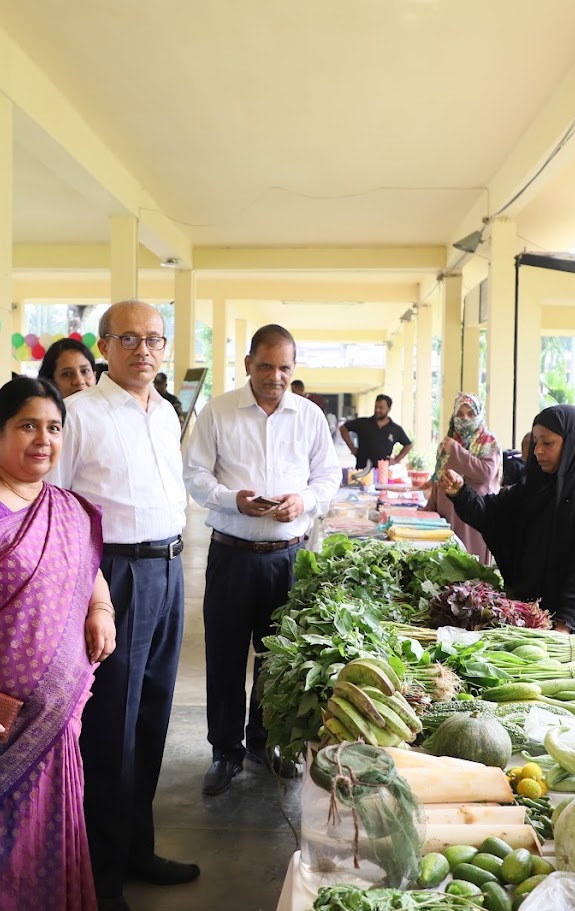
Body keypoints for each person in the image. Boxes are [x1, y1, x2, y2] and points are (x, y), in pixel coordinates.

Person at [50, 300, 197, 911]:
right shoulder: (79, 413)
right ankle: (102, 876)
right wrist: (90, 592)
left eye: (154, 339)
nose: (144, 350)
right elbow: (56, 507)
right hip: (114, 575)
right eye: (129, 339)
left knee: (154, 717)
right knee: (112, 727)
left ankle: (139, 849)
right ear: (104, 347)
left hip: (168, 568)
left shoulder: (165, 412)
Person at [0, 377, 116, 911]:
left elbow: (89, 571)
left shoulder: (67, 508)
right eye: (28, 425)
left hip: (56, 716)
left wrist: (101, 609)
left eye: (53, 428)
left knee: (50, 832)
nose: (43, 440)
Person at [184, 325, 339, 795]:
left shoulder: (309, 416)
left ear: (294, 368)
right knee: (225, 658)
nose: (275, 376)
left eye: (284, 368)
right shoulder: (219, 411)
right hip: (231, 556)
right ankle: (224, 751)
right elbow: (194, 475)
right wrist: (233, 500)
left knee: (277, 660)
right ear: (249, 363)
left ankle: (265, 743)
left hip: (288, 559)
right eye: (266, 366)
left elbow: (328, 476)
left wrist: (304, 501)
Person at [440, 404, 575, 725]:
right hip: (543, 631)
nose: (538, 451)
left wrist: (564, 626)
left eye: (548, 443)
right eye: (535, 442)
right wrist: (461, 492)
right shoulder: (534, 489)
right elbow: (492, 516)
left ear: (574, 444)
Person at [425, 393, 502, 563]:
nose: (464, 418)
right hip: (447, 514)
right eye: (460, 414)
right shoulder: (450, 440)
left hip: (473, 515)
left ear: (479, 415)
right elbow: (439, 477)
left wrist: (457, 451)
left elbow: (485, 473)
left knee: (471, 564)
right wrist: (430, 507)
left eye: (470, 414)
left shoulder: (488, 442)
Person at [341, 394, 412, 470]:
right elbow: (343, 428)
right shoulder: (363, 423)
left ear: (389, 409)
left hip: (382, 472)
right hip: (362, 470)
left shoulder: (395, 429)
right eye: (376, 407)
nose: (377, 410)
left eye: (381, 407)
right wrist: (352, 448)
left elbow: (408, 445)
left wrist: (396, 460)